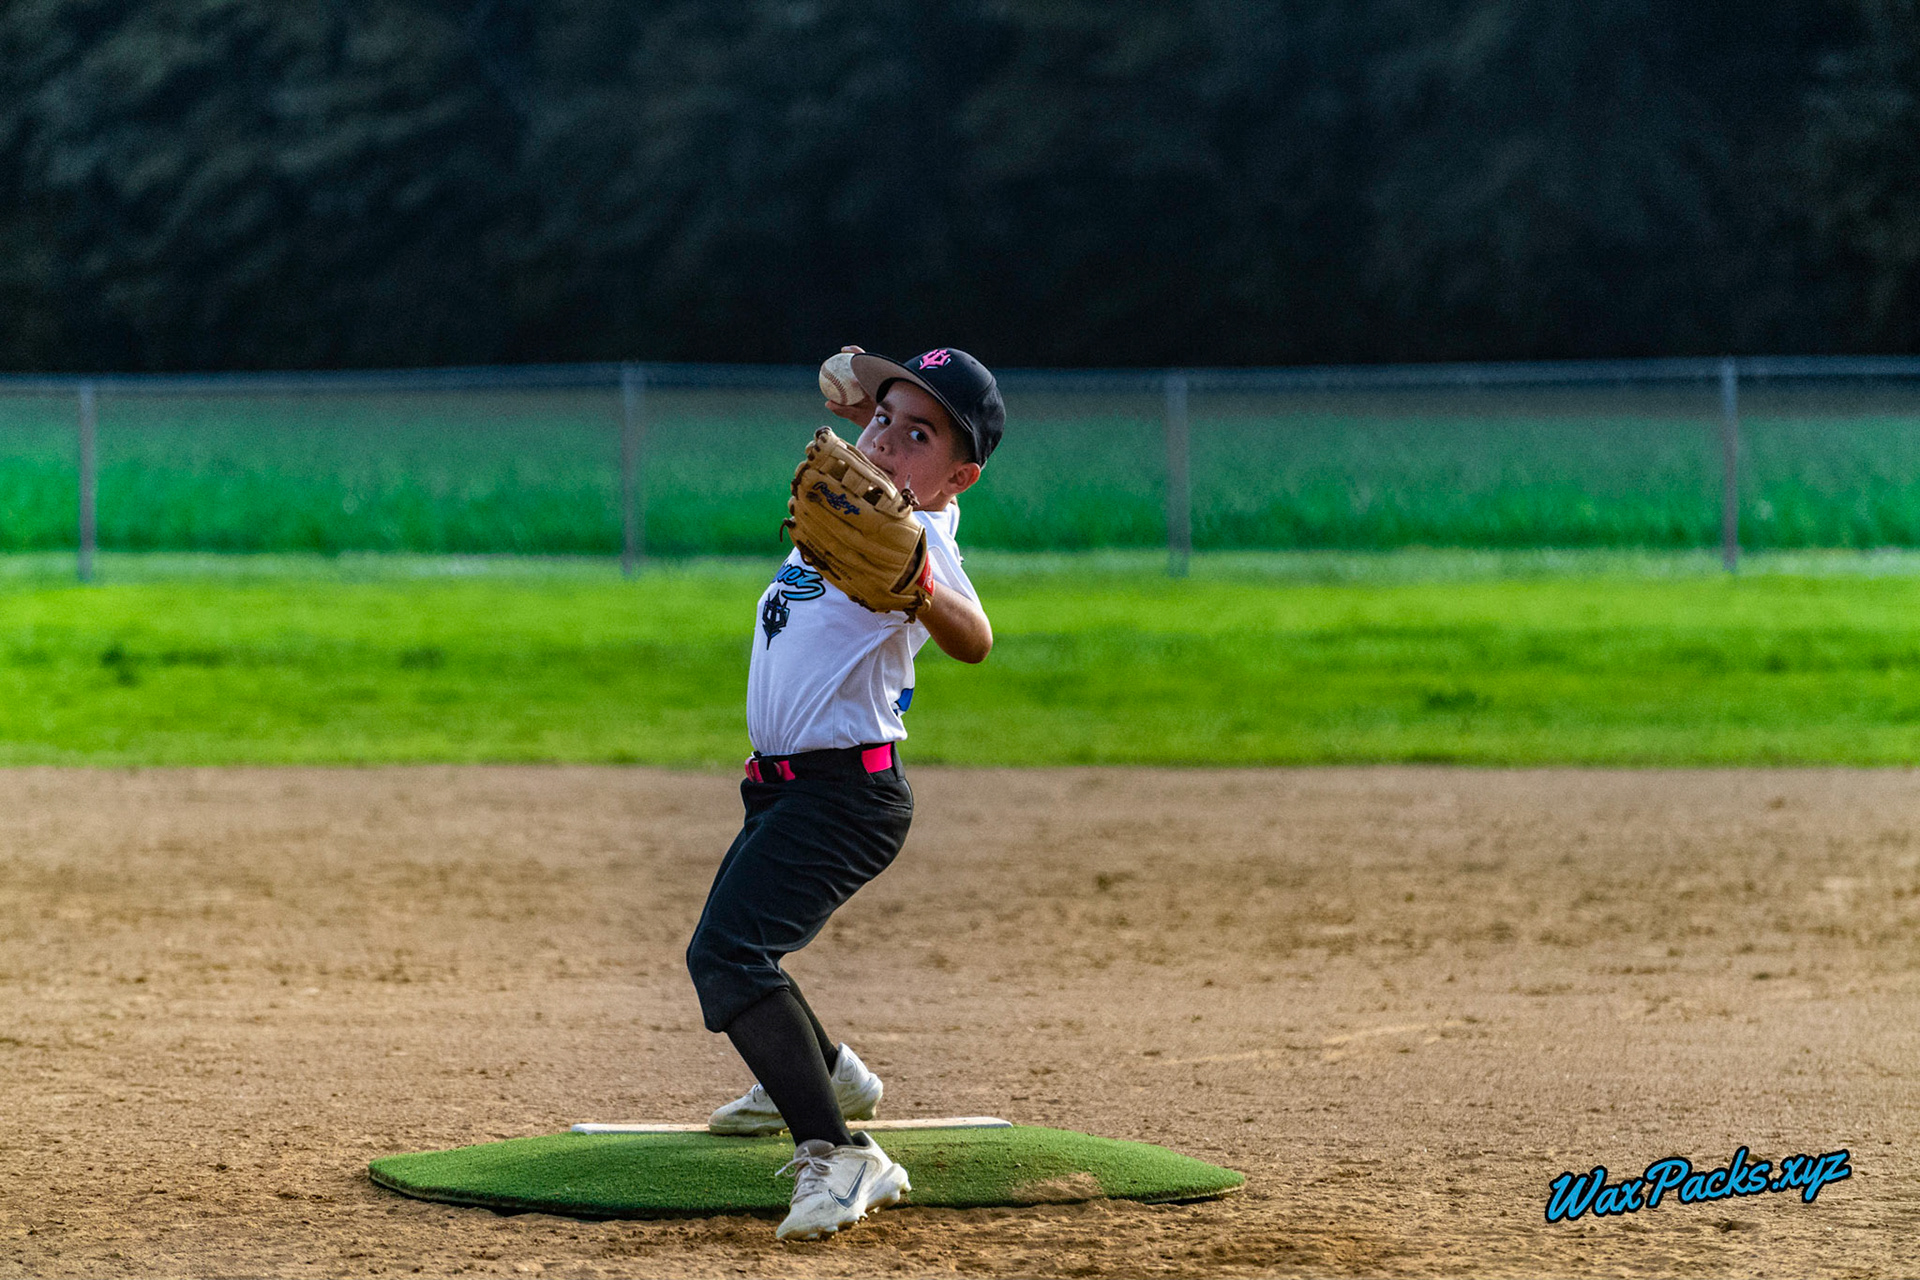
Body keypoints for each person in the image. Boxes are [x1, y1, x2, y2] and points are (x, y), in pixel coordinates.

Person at [684, 345, 1005, 1242]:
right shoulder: (848, 506)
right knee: (740, 952)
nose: (888, 441)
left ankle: (842, 1150)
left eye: (919, 436)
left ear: (959, 477)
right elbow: (877, 406)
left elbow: (976, 639)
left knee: (726, 958)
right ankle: (829, 1072)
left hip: (846, 798)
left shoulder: (918, 537)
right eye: (881, 420)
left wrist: (923, 589)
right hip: (785, 790)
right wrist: (866, 384)